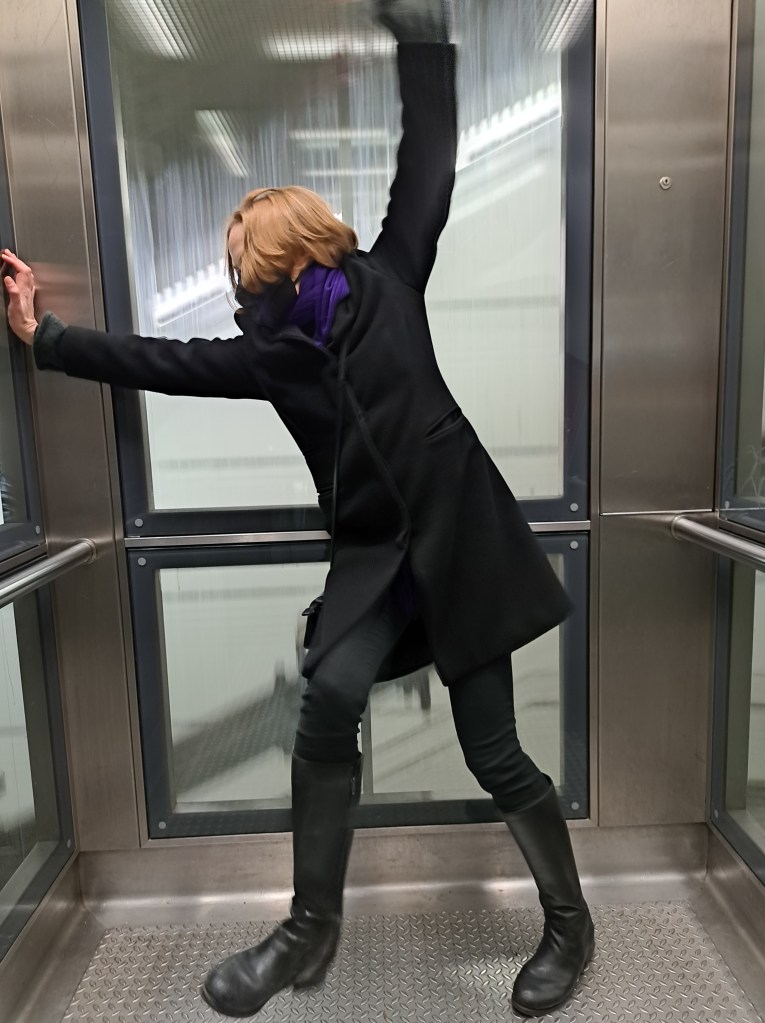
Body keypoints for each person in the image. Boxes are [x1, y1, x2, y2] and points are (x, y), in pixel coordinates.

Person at [2, 0, 594, 1017]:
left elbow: (428, 163)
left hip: (461, 550)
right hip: (375, 567)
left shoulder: (390, 279)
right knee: (327, 700)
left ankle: (569, 926)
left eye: (247, 263)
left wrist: (422, 40)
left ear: (292, 252)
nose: (239, 280)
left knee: (494, 752)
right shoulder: (273, 353)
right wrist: (46, 338)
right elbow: (162, 360)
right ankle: (308, 927)